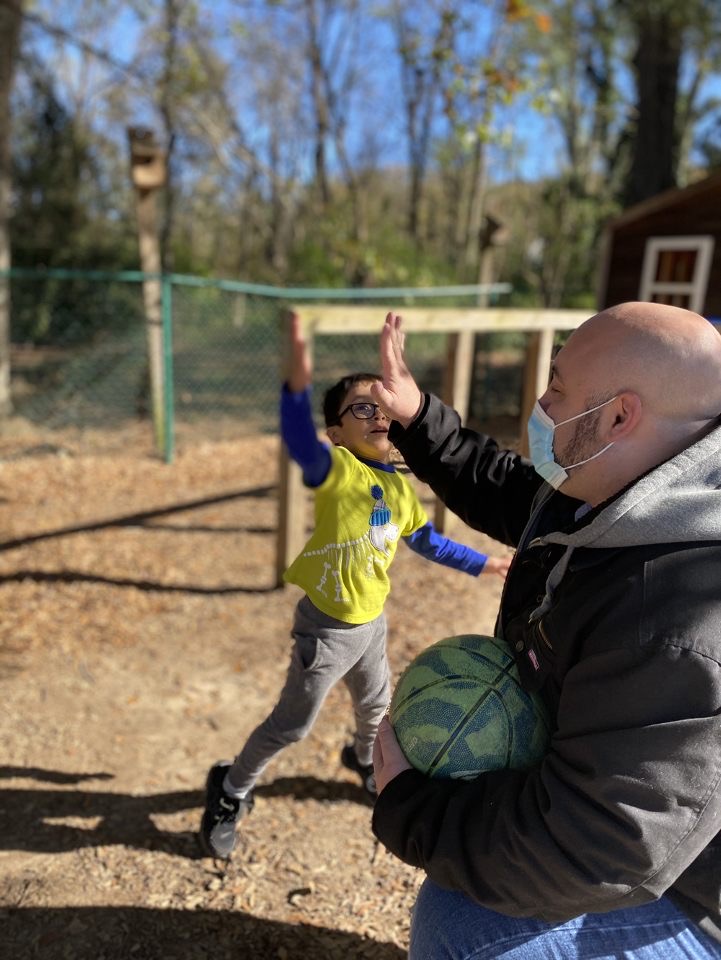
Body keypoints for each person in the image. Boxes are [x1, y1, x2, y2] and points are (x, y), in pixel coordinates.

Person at [370, 303, 721, 959]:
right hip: (643, 832)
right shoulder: (616, 472)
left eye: (556, 385)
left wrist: (412, 808)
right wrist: (419, 420)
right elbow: (514, 492)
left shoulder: (681, 614)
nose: (540, 401)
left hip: (699, 893)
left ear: (619, 415)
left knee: (464, 930)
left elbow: (600, 845)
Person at [198, 311, 511, 860]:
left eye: (384, 406)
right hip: (327, 631)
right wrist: (295, 380)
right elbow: (300, 442)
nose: (378, 415)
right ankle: (230, 787)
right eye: (361, 408)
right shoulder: (339, 471)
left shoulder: (401, 488)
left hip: (371, 626)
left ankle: (364, 762)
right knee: (291, 727)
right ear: (337, 432)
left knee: (376, 711)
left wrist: (484, 564)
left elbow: (428, 543)